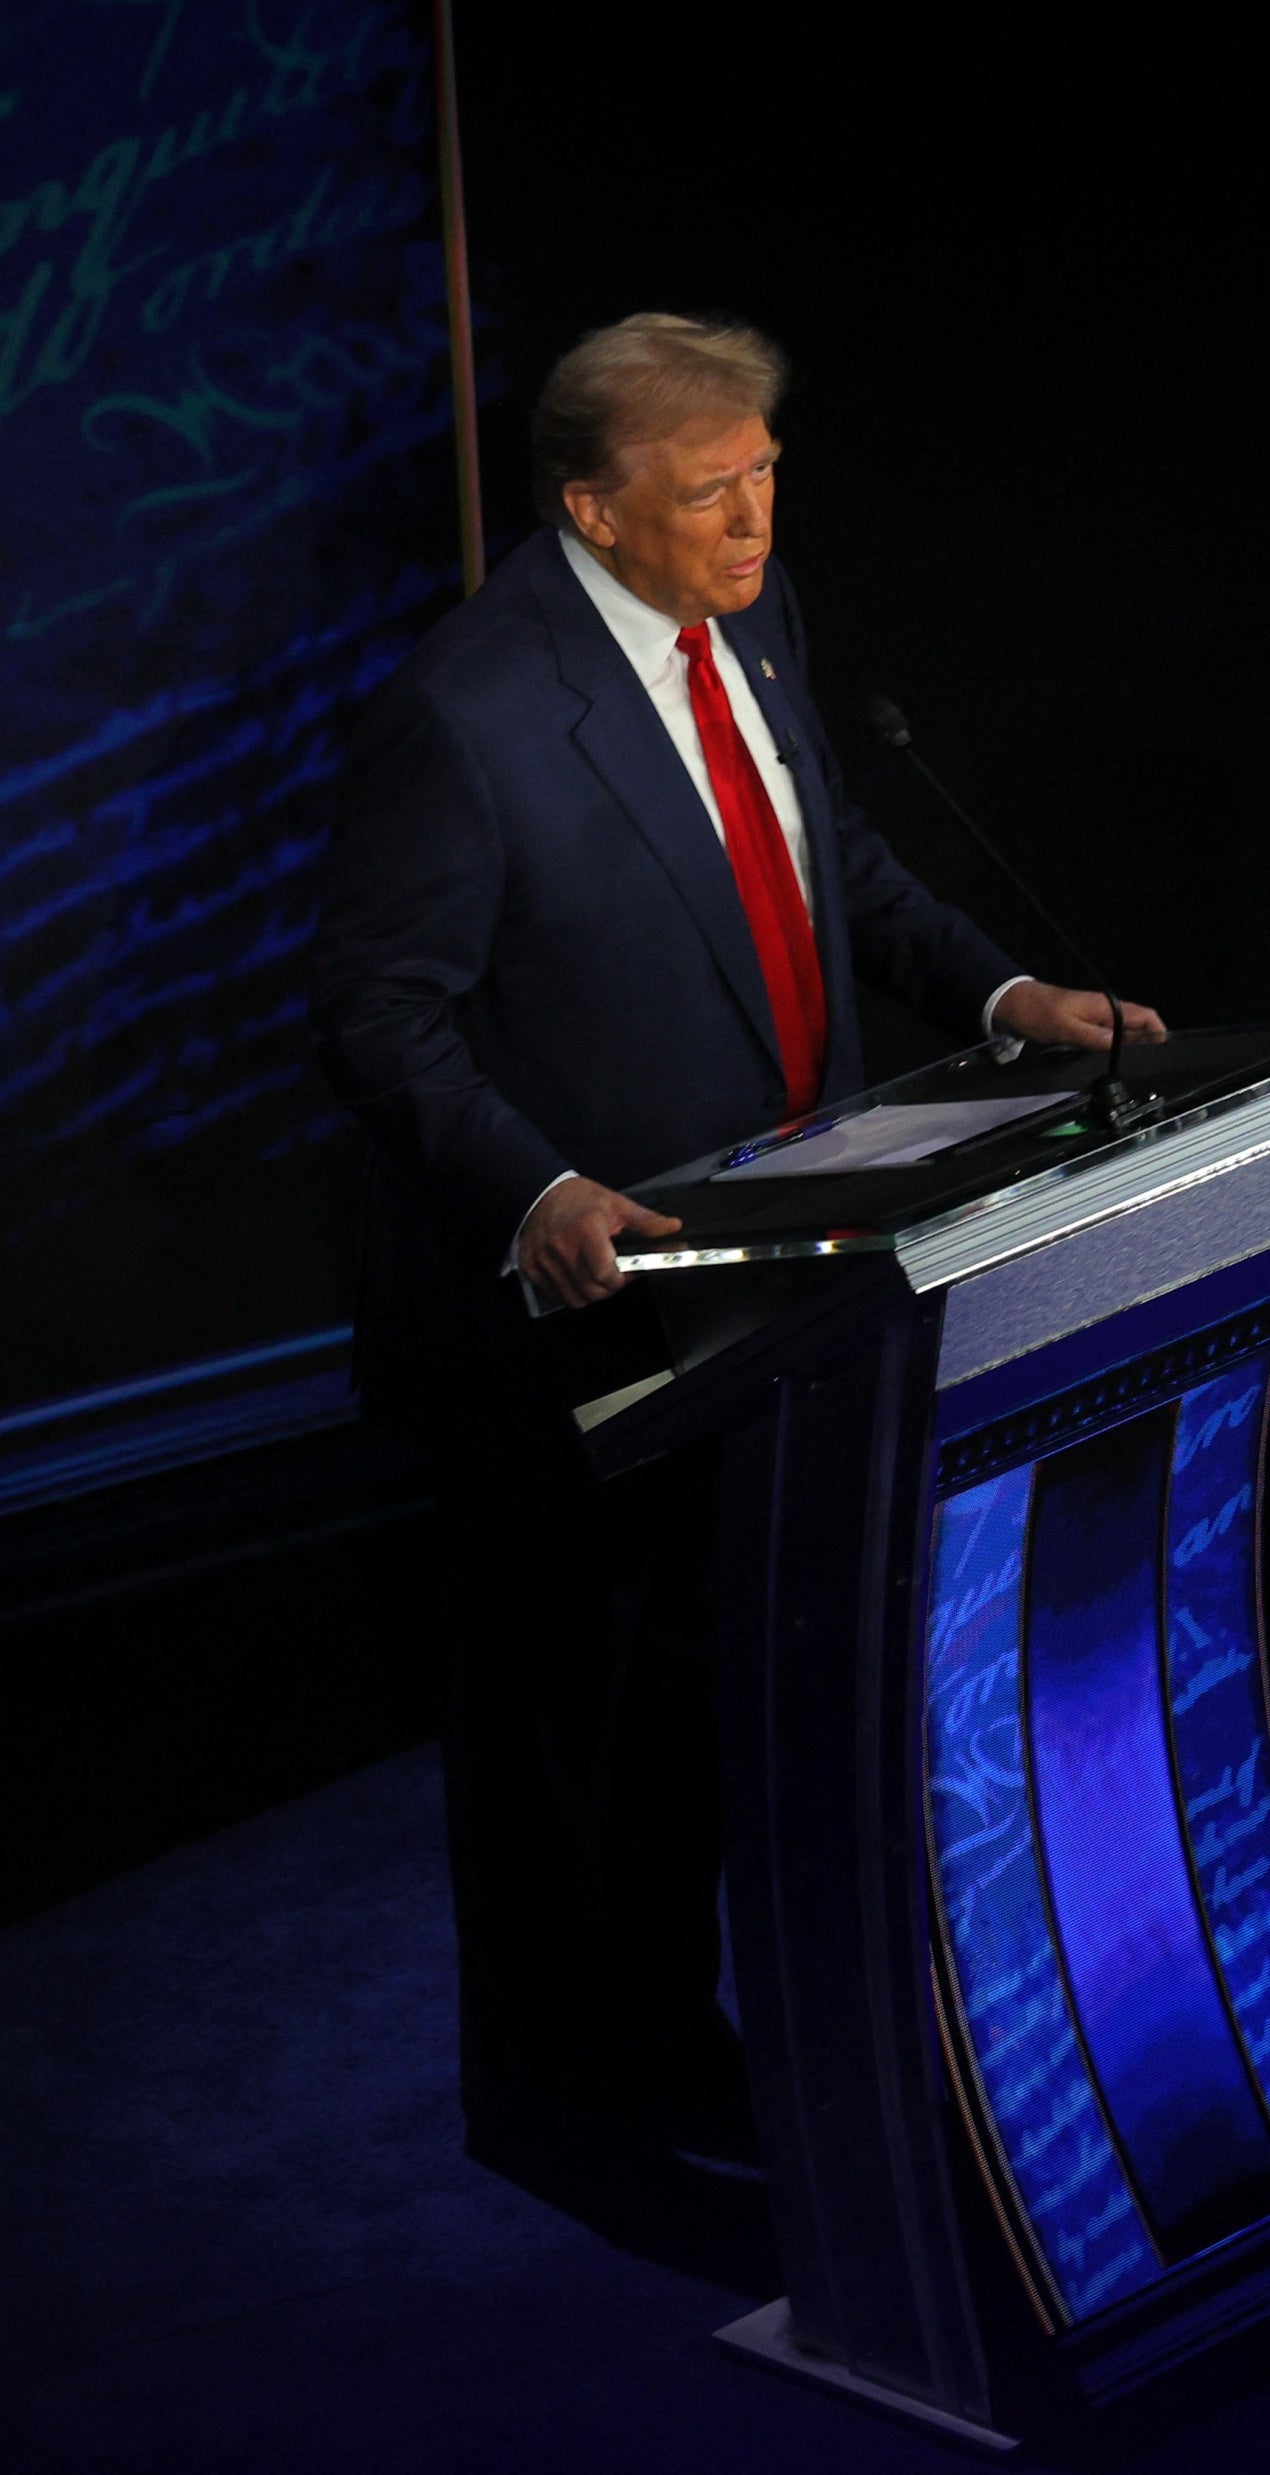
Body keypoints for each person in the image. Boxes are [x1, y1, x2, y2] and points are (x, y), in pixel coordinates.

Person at [312, 313, 1158, 2219]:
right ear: (593, 504)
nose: (757, 519)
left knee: (701, 1703)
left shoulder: (751, 621)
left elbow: (825, 857)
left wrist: (1008, 994)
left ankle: (665, 2029)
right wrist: (535, 1184)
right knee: (564, 1733)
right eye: (714, 492)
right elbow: (378, 1015)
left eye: (769, 476)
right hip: (567, 1318)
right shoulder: (467, 712)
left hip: (779, 1271)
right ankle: (556, 2109)